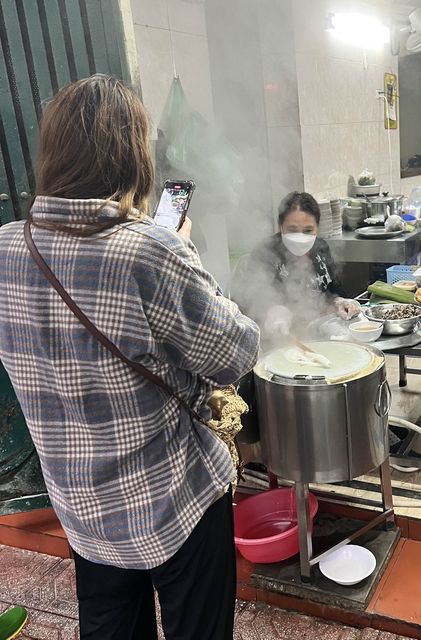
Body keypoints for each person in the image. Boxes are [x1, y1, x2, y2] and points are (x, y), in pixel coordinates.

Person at [0, 75, 260, 640]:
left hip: (80, 508)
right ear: (131, 156)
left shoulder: (5, 247)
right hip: (173, 502)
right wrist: (181, 249)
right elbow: (235, 353)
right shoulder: (150, 249)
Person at [236, 191, 360, 337]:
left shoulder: (321, 248)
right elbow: (250, 299)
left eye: (308, 230)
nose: (300, 237)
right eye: (292, 230)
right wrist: (272, 311)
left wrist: (340, 302)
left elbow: (335, 289)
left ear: (317, 229)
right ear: (281, 227)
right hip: (283, 338)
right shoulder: (265, 252)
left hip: (322, 333)